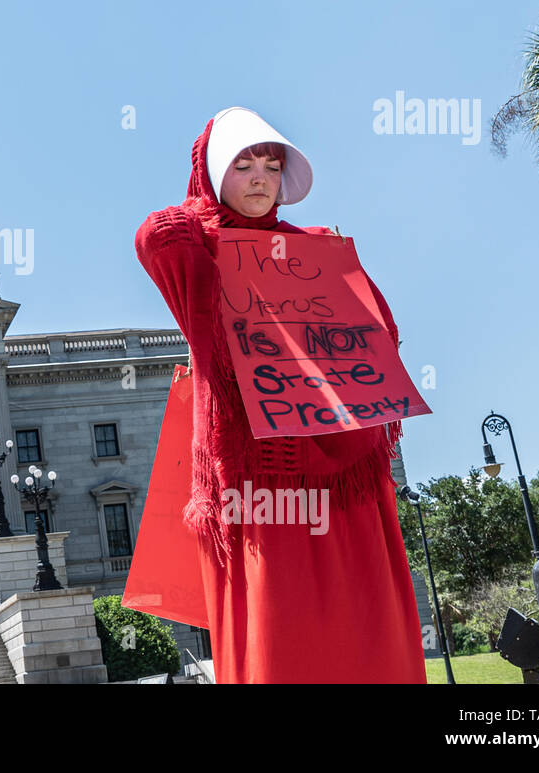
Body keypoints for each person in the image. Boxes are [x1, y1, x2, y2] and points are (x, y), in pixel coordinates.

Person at [133, 107, 427, 683]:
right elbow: (154, 236)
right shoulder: (199, 252)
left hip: (341, 463)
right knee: (277, 626)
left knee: (364, 623)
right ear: (215, 173)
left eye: (272, 165)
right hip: (256, 473)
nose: (262, 178)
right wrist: (208, 212)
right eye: (243, 165)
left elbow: (379, 335)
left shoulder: (318, 249)